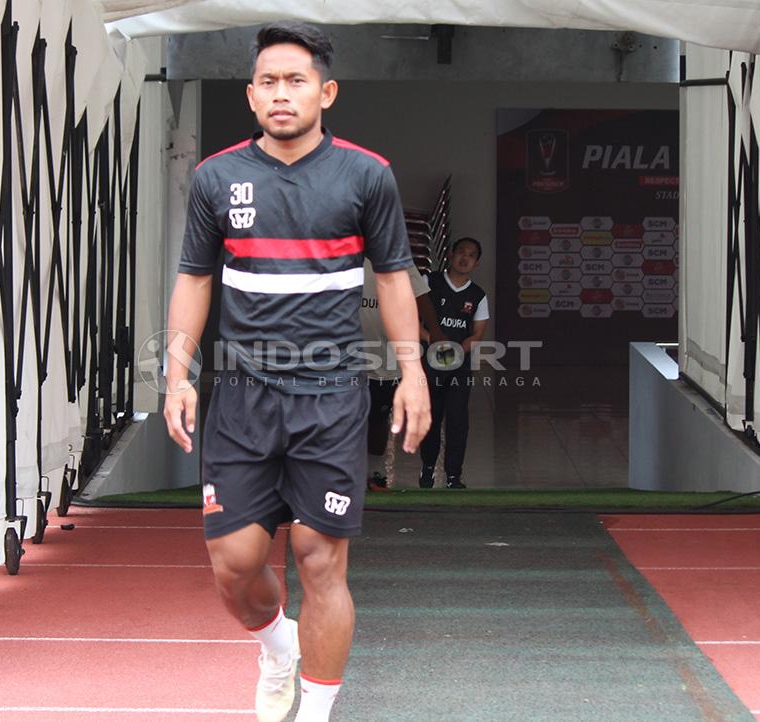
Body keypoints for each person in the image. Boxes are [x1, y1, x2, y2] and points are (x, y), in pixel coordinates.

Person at [161, 22, 430, 722]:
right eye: (270, 82)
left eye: (298, 80)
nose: (283, 94)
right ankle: (278, 645)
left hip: (332, 396)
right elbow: (194, 281)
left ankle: (315, 710)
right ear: (252, 96)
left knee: (319, 558)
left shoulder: (366, 175)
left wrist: (413, 373)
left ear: (326, 91)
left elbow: (396, 279)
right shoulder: (215, 178)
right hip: (242, 399)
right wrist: (177, 373)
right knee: (236, 565)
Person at [359, 261, 443, 492]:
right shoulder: (343, 251)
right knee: (342, 420)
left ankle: (375, 473)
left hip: (387, 359)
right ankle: (345, 474)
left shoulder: (397, 258)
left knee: (377, 420)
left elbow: (420, 296)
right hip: (345, 357)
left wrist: (435, 329)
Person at [419, 237, 489, 490]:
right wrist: (433, 341)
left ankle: (453, 477)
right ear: (450, 254)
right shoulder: (430, 283)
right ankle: (427, 469)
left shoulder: (478, 296)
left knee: (458, 419)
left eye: (471, 255)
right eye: (461, 252)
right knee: (431, 418)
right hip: (429, 363)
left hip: (459, 365)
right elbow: (409, 317)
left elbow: (478, 334)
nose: (465, 258)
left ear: (476, 262)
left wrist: (456, 350)